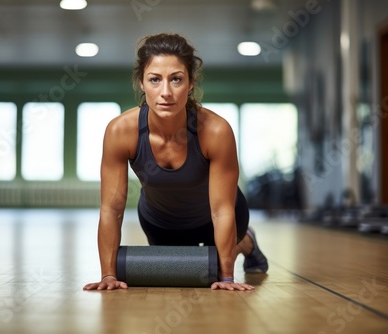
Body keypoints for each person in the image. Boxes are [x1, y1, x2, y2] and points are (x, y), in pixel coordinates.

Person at [83, 33, 268, 292]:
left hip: (220, 217)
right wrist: (109, 275)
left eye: (177, 79)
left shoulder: (215, 131)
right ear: (141, 83)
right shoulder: (121, 131)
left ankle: (245, 242)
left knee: (211, 271)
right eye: (155, 80)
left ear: (191, 83)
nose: (166, 92)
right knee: (184, 270)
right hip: (161, 223)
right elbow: (111, 209)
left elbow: (221, 211)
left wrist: (227, 278)